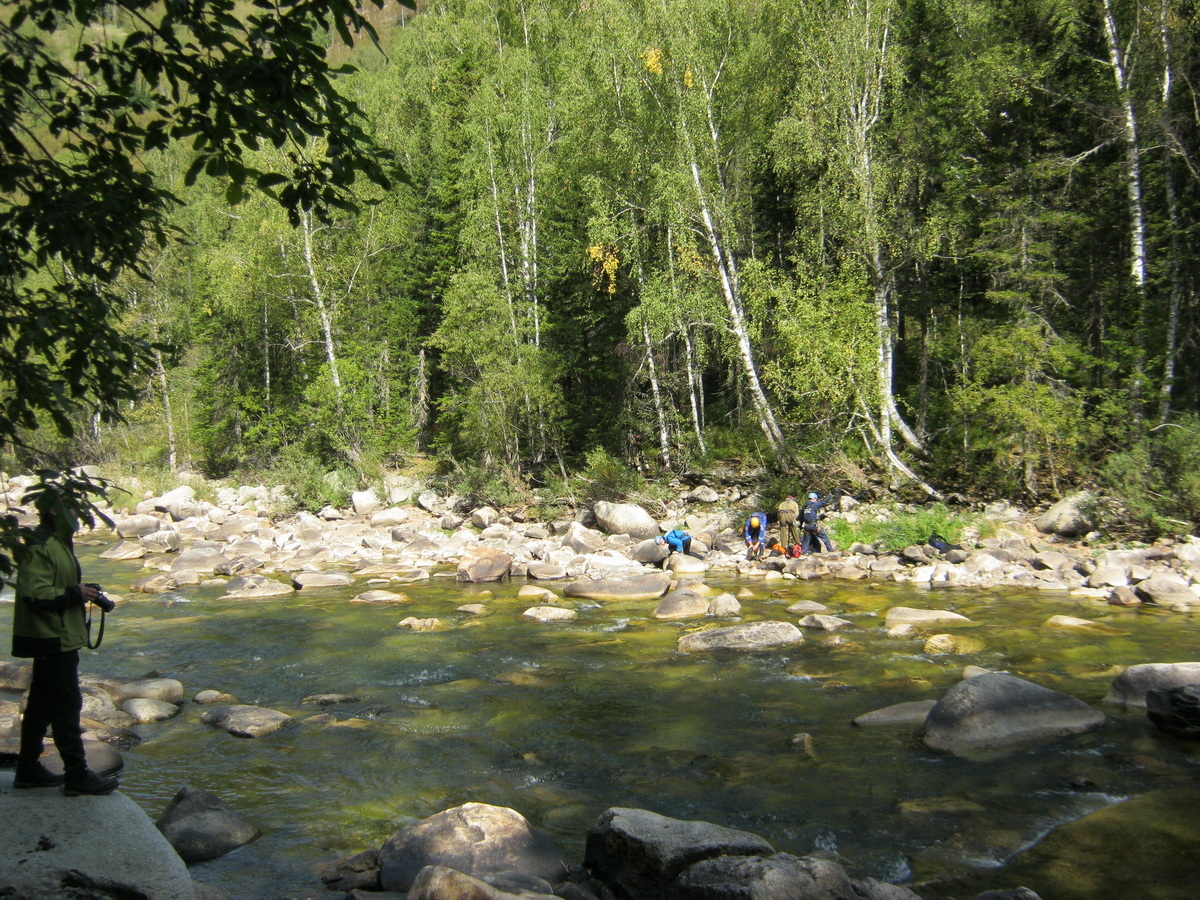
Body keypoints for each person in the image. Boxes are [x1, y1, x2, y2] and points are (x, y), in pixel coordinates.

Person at [11, 490, 119, 795]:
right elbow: (35, 595)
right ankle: (76, 775)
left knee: (40, 706)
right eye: (72, 509)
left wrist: (77, 589)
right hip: (50, 639)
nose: (78, 515)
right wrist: (75, 594)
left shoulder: (56, 542)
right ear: (53, 512)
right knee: (67, 706)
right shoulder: (41, 544)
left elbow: (49, 586)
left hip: (57, 637)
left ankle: (28, 769)